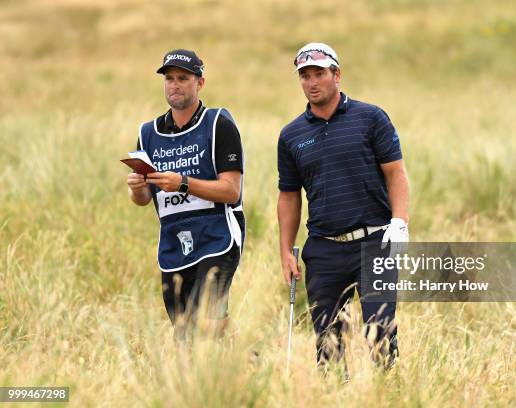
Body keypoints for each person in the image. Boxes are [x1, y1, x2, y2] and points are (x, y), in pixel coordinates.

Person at [277, 43, 410, 371]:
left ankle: (387, 397)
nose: (312, 82)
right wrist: (284, 251)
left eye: (319, 73)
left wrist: (400, 222)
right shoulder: (291, 135)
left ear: (336, 75)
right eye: (305, 76)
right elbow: (289, 196)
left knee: (380, 333)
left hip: (375, 242)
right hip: (323, 250)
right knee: (328, 342)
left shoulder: (370, 118)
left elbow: (396, 173)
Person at [126, 49, 245, 340]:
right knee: (183, 332)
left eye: (183, 78)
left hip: (218, 236)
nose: (174, 84)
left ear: (200, 83)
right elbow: (144, 200)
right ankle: (243, 363)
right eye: (169, 78)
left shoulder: (219, 124)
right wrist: (138, 189)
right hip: (173, 243)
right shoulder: (148, 133)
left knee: (207, 319)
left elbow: (231, 191)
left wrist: (183, 183)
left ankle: (226, 374)